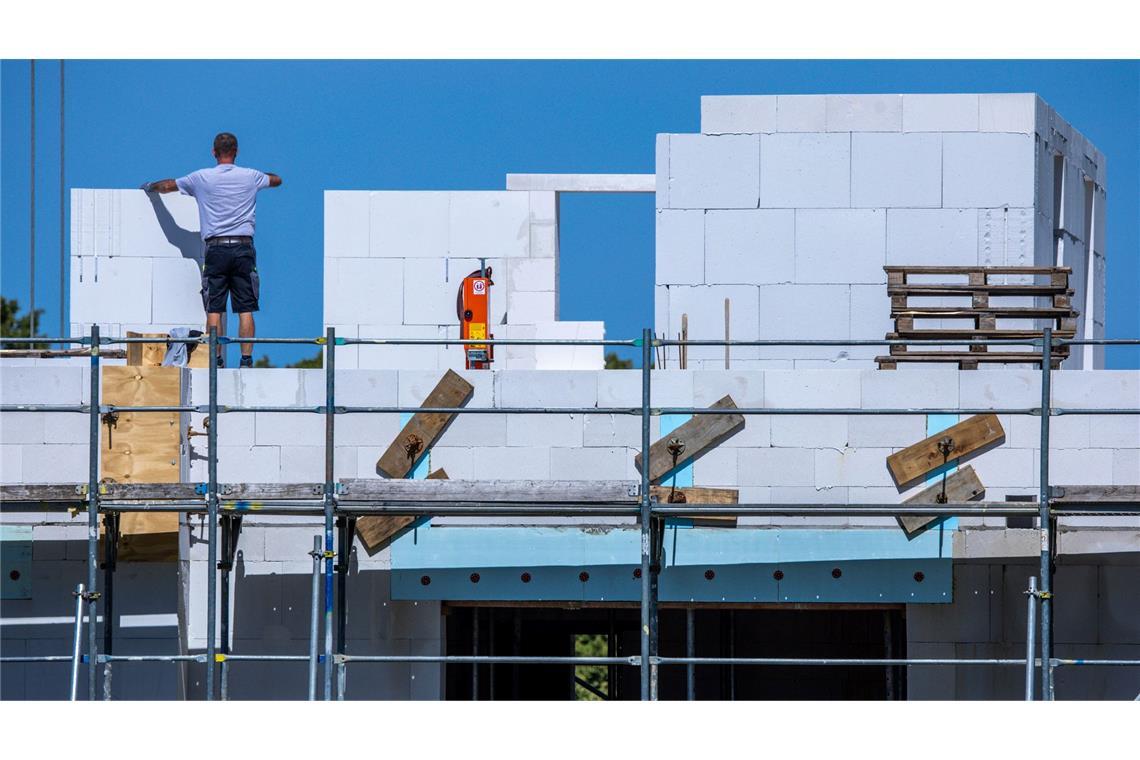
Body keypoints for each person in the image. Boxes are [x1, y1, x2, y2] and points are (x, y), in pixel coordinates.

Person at [143, 132, 281, 368]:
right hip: (243, 247)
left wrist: (150, 187)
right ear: (236, 151)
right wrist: (261, 177)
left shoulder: (201, 177)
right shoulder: (251, 177)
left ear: (214, 153)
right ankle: (246, 359)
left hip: (215, 249)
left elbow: (167, 186)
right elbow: (276, 180)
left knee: (214, 308)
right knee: (245, 308)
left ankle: (216, 359)